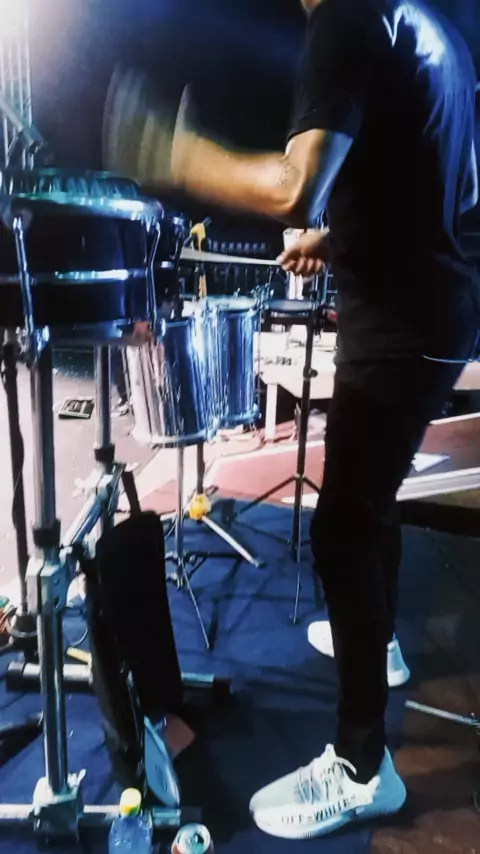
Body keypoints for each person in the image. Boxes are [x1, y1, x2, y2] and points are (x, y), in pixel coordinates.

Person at [103, 0, 480, 839]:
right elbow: (440, 186)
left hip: (399, 327)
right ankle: (379, 648)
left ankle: (361, 767)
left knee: (343, 530)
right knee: (370, 503)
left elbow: (292, 185)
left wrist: (178, 155)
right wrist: (333, 241)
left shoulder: (345, 17)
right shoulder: (428, 28)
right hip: (438, 313)